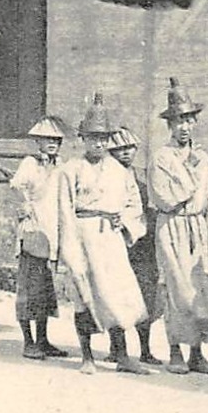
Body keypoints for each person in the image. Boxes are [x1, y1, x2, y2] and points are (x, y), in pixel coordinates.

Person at [55, 95, 149, 375]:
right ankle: (87, 357)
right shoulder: (70, 170)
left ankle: (122, 355)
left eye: (104, 138)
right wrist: (70, 249)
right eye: (93, 138)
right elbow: (64, 211)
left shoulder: (119, 171)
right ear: (82, 138)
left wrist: (127, 223)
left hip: (110, 237)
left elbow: (134, 204)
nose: (99, 144)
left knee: (117, 294)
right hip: (83, 237)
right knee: (85, 295)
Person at [149, 79, 208, 376]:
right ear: (170, 125)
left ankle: (197, 352)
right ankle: (175, 351)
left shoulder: (203, 158)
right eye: (178, 122)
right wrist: (189, 176)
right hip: (172, 227)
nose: (184, 127)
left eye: (188, 120)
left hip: (198, 227)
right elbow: (163, 197)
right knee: (177, 289)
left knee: (201, 290)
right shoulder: (162, 158)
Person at [11, 115, 69, 360]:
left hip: (52, 234)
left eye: (56, 139)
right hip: (33, 233)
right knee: (28, 289)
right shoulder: (30, 163)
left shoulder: (61, 166)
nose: (52, 143)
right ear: (38, 142)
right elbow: (16, 186)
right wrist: (24, 205)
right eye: (47, 139)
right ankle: (28, 341)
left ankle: (43, 340)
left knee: (45, 290)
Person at [108, 128, 163, 366]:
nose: (126, 153)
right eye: (120, 149)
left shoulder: (142, 178)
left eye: (129, 148)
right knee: (116, 295)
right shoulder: (107, 179)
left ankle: (145, 349)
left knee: (145, 295)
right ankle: (117, 348)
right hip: (117, 243)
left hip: (143, 245)